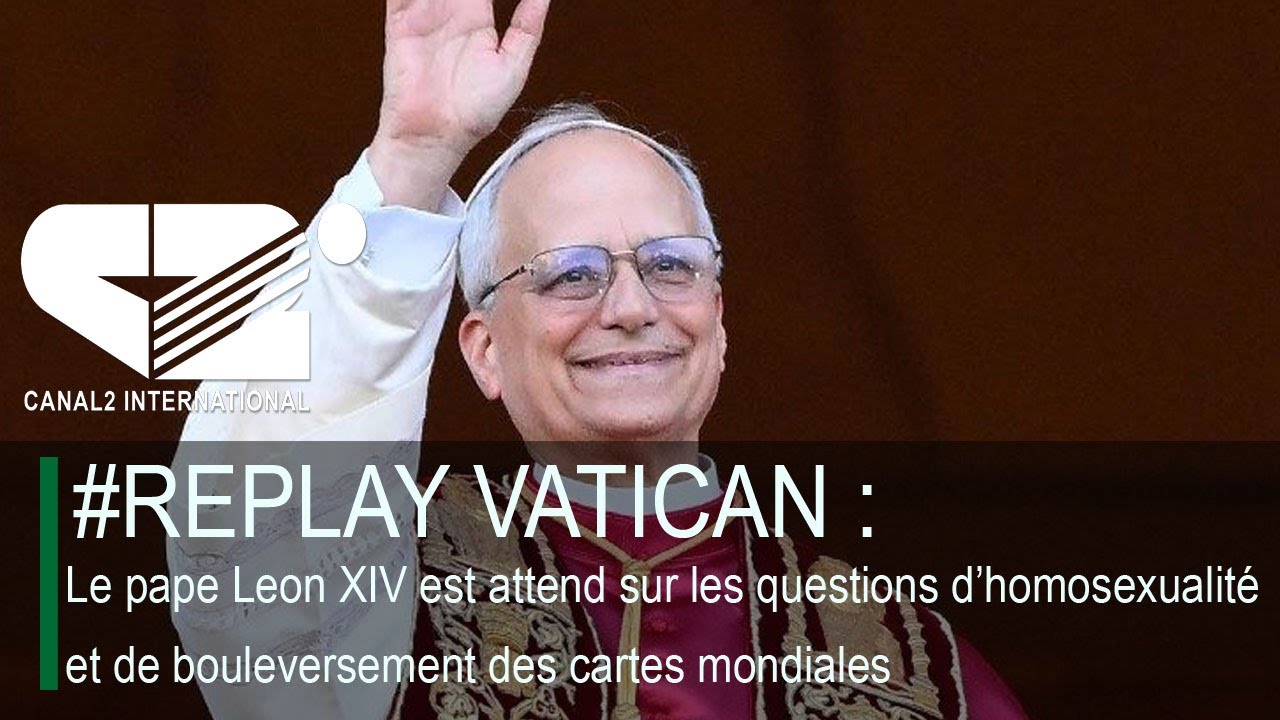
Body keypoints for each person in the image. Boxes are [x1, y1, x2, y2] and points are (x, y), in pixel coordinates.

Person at [169, 1, 1027, 718]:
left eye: (671, 265)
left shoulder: (904, 656)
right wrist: (412, 162)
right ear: (485, 351)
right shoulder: (390, 590)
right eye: (570, 274)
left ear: (718, 322)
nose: (630, 307)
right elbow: (239, 535)